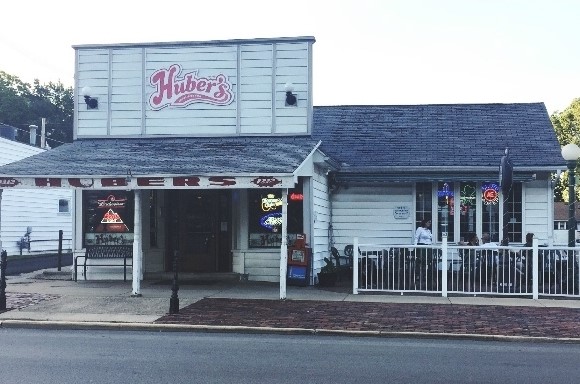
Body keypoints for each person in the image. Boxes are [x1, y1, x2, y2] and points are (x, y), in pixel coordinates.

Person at [414, 218, 434, 289]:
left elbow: (430, 238)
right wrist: (416, 247)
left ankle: (428, 277)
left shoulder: (429, 231)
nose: (429, 223)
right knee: (422, 263)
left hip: (428, 247)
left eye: (430, 222)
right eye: (428, 222)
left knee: (429, 263)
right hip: (422, 247)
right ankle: (419, 277)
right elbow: (416, 238)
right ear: (425, 222)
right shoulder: (420, 229)